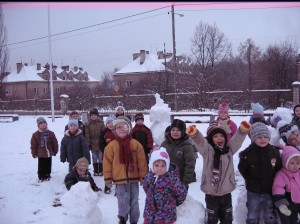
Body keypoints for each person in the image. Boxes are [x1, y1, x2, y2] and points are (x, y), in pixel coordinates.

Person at [186, 120, 251, 224]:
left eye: (221, 135)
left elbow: (236, 140)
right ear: (211, 139)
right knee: (212, 219)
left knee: (227, 219)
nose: (219, 138)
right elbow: (200, 141)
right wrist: (195, 134)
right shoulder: (207, 150)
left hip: (226, 192)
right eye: (215, 136)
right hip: (211, 193)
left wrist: (242, 131)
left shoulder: (229, 150)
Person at [103, 115, 148, 224]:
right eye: (118, 127)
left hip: (134, 179)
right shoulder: (111, 147)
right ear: (114, 130)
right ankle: (123, 219)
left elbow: (142, 162)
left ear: (129, 128)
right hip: (119, 180)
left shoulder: (136, 144)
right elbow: (107, 164)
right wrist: (108, 180)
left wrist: (144, 177)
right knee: (122, 202)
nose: (122, 129)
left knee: (134, 202)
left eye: (124, 126)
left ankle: (134, 221)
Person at [238, 122, 282, 224]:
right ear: (254, 138)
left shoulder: (273, 152)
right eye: (259, 137)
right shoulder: (247, 153)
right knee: (252, 213)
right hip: (253, 190)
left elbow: (278, 167)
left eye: (266, 137)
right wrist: (250, 179)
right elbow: (242, 168)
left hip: (269, 190)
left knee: (269, 213)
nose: (263, 139)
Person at [143, 147, 187, 224]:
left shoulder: (171, 178)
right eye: (156, 165)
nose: (159, 168)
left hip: (166, 214)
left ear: (167, 166)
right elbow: (146, 187)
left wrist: (175, 202)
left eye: (163, 166)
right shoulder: (149, 176)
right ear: (151, 165)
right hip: (150, 212)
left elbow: (181, 192)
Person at [160, 119, 195, 190]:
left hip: (180, 180)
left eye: (178, 130)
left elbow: (190, 164)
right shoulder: (165, 144)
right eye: (173, 130)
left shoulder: (187, 146)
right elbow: (158, 159)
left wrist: (185, 181)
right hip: (165, 179)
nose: (175, 132)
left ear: (183, 132)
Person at [272, 144, 300, 224]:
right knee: (288, 220)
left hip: (298, 203)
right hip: (287, 203)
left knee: (295, 220)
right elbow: (277, 187)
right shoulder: (282, 174)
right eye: (292, 163)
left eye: (297, 163)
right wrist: (281, 203)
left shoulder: (299, 173)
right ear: (285, 162)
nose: (295, 166)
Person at [30, 117, 58, 181]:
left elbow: (55, 142)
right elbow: (33, 145)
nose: (43, 124)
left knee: (48, 164)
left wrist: (55, 150)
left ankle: (47, 174)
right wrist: (33, 153)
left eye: (44, 123)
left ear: (46, 124)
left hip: (49, 152)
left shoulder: (51, 133)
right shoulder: (35, 134)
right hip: (40, 153)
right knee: (41, 165)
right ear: (38, 125)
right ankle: (41, 175)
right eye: (40, 123)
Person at [85, 108, 106, 176]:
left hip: (100, 143)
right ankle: (96, 170)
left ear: (97, 116)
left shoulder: (101, 123)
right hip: (93, 144)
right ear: (90, 116)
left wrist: (103, 142)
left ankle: (101, 170)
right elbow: (87, 135)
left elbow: (104, 133)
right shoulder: (88, 124)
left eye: (95, 115)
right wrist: (88, 144)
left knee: (100, 157)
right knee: (94, 157)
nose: (93, 116)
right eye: (92, 115)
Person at [103, 114, 116, 194]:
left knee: (116, 171)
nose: (110, 124)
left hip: (116, 155)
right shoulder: (104, 133)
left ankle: (118, 187)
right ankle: (107, 186)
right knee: (108, 171)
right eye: (108, 123)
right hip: (107, 156)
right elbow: (101, 143)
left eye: (112, 122)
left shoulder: (117, 132)